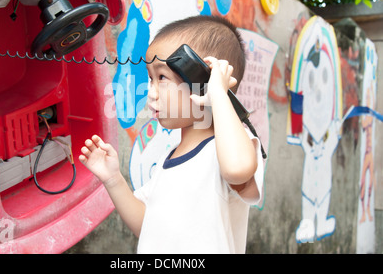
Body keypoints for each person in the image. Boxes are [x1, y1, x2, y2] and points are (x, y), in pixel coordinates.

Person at [79, 15, 264, 253]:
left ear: (201, 79)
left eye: (162, 77)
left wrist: (218, 93)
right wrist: (113, 179)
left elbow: (237, 171)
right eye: (150, 78)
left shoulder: (231, 149)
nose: (151, 93)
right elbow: (147, 227)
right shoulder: (167, 160)